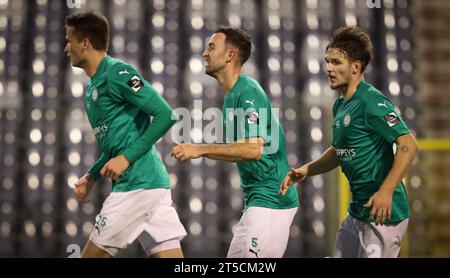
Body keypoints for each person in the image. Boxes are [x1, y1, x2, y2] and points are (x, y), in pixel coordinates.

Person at [279, 26, 418, 258]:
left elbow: (408, 144)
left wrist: (385, 192)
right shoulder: (341, 104)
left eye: (336, 62)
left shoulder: (371, 101)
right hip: (357, 213)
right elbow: (339, 150)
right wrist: (306, 170)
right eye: (327, 62)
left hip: (384, 214)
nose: (328, 68)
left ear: (356, 66)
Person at [64, 11, 186, 258]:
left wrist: (127, 158)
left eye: (69, 40)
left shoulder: (118, 73)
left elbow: (166, 115)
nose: (66, 48)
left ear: (85, 43)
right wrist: (92, 175)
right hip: (152, 186)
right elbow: (114, 144)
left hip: (137, 186)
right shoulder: (93, 87)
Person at [171, 26, 298, 258]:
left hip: (271, 200)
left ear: (230, 56)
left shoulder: (248, 92)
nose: (204, 53)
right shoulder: (232, 96)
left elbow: (253, 149)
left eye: (211, 47)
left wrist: (200, 149)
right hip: (258, 200)